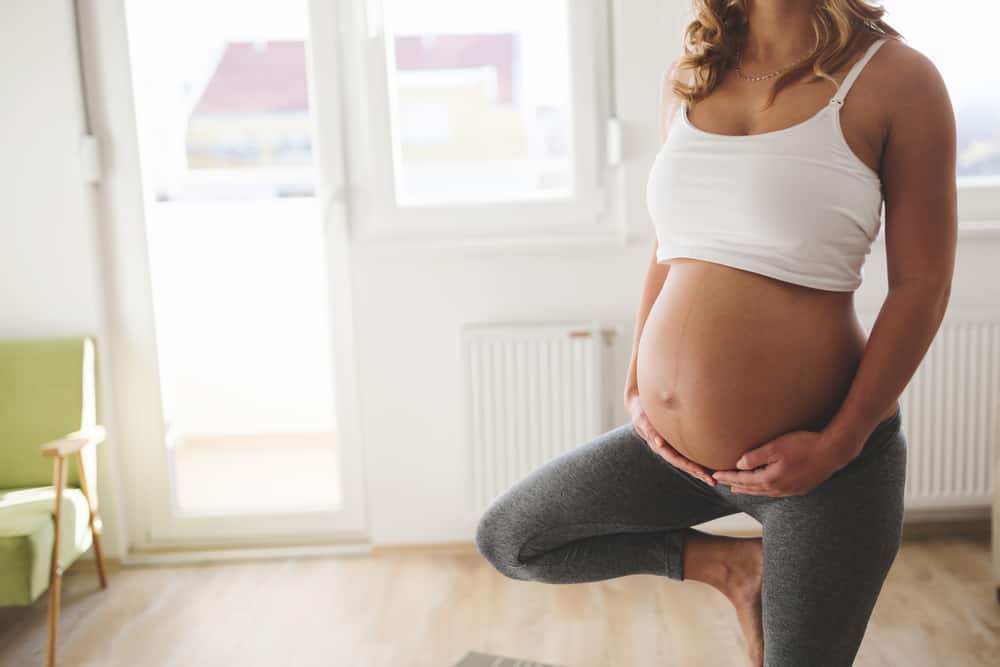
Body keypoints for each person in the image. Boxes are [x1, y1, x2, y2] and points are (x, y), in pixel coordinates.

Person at [474, 0, 957, 665]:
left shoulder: (897, 78)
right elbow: (668, 247)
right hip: (674, 453)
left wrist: (839, 443)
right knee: (514, 535)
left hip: (821, 466)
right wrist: (639, 384)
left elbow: (922, 287)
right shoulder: (692, 74)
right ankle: (734, 569)